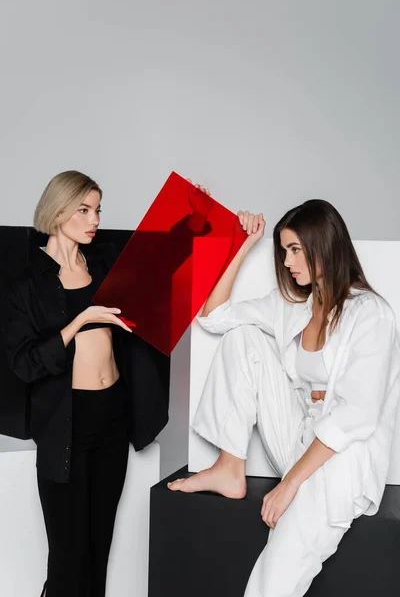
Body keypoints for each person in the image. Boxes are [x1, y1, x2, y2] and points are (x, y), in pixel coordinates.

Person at [168, 201, 400, 597]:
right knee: (242, 338)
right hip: (297, 436)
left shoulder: (370, 314)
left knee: (275, 578)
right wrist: (243, 244)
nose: (287, 261)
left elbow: (357, 414)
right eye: (283, 250)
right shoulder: (294, 305)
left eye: (295, 249)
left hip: (340, 464)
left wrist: (290, 482)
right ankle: (229, 466)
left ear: (323, 245)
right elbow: (214, 316)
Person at [1, 170, 172, 597]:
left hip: (112, 419)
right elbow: (24, 363)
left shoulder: (106, 261)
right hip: (66, 428)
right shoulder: (27, 284)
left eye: (97, 209)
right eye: (84, 209)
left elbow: (164, 269)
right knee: (67, 557)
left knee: (98, 551)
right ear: (58, 211)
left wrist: (196, 208)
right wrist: (79, 322)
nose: (94, 218)